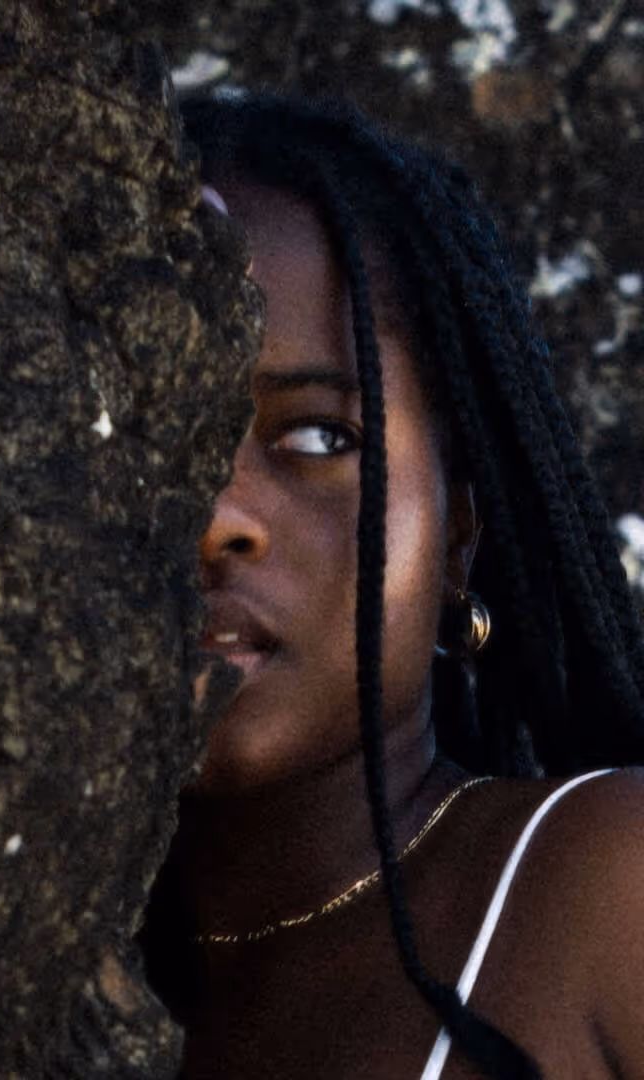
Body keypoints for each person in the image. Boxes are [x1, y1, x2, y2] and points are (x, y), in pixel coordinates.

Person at [139, 95, 644, 1079]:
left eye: (318, 436)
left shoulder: (606, 887)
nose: (216, 517)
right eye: (150, 432)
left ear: (456, 535)